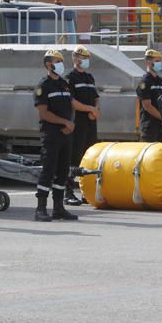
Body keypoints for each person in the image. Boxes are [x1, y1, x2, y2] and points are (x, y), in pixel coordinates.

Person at [33, 50, 79, 222]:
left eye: (61, 61)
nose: (61, 63)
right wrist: (64, 123)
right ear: (48, 65)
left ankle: (58, 208)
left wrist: (70, 124)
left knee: (62, 171)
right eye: (57, 61)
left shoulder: (64, 84)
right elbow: (43, 113)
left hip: (66, 135)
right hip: (51, 135)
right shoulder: (43, 86)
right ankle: (41, 208)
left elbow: (71, 106)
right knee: (48, 171)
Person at [65, 45, 99, 205]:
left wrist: (96, 110)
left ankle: (87, 192)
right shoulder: (70, 78)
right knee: (74, 158)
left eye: (87, 58)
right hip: (77, 123)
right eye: (83, 58)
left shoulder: (90, 78)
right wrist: (90, 109)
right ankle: (68, 192)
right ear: (75, 58)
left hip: (91, 123)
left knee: (90, 158)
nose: (85, 61)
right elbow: (72, 102)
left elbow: (96, 97)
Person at [136, 49, 162, 142]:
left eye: (160, 61)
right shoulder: (144, 82)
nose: (159, 64)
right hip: (150, 127)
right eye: (157, 61)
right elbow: (147, 106)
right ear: (148, 62)